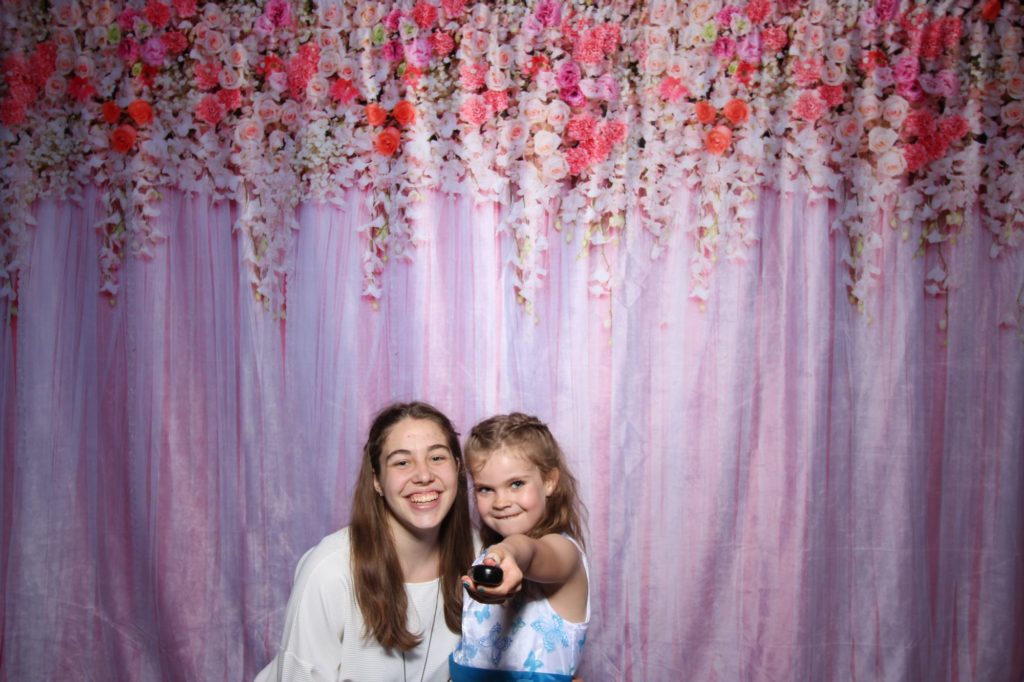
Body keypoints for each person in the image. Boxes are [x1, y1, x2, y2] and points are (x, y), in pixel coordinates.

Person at [257, 401, 475, 682]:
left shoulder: (481, 557)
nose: (423, 475)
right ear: (377, 481)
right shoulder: (329, 571)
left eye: (436, 458)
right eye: (402, 462)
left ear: (458, 468)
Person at [449, 413, 590, 681]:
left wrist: (509, 552)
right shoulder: (485, 555)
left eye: (516, 484)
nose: (501, 501)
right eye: (485, 489)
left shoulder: (564, 552)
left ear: (549, 481)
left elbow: (530, 551)